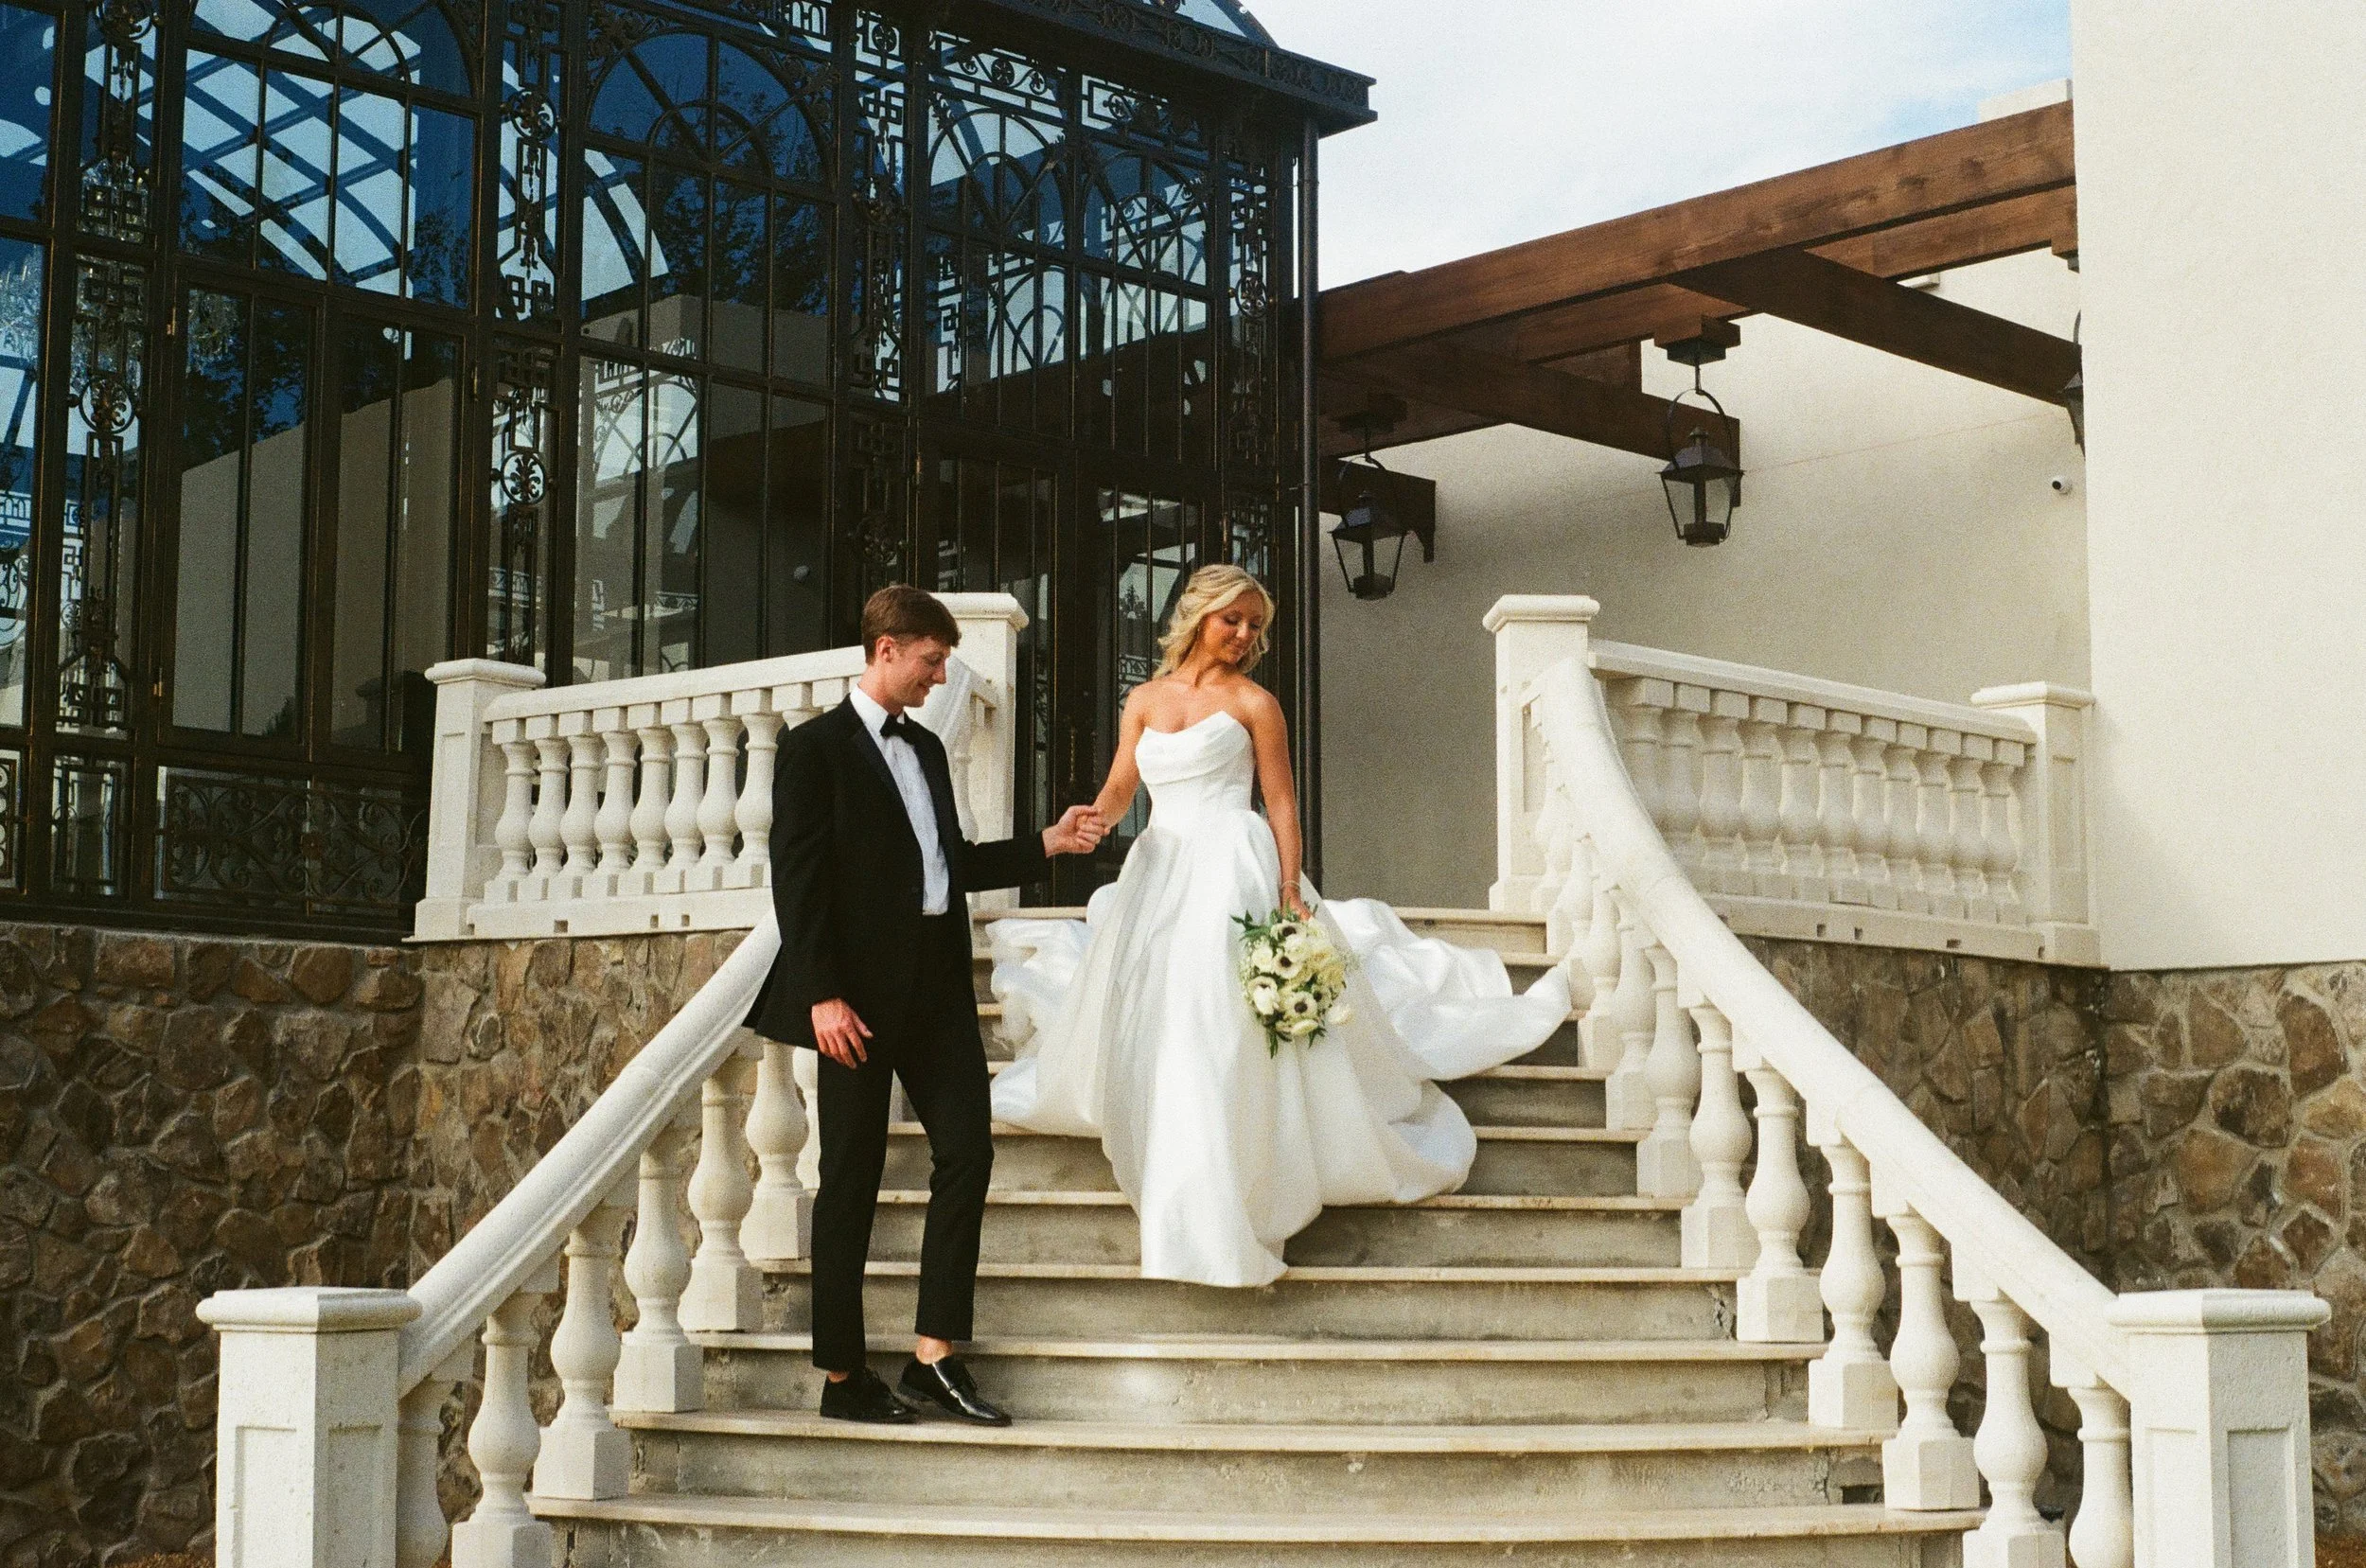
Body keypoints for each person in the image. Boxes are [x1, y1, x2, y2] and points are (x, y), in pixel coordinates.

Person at [989, 564, 1573, 1288]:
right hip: (1159, 870)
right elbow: (1120, 787)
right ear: (1198, 615)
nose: (1242, 636)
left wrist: (1290, 887)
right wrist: (1085, 824)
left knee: (1214, 1017)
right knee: (1156, 1018)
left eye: (1254, 626)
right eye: (1231, 619)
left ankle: (1219, 1189)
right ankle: (1180, 1160)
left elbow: (1281, 803)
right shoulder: (1142, 699)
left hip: (1233, 866)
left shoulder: (1255, 705)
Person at [747, 585, 1105, 1425]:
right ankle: (842, 1378)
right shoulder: (814, 749)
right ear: (887, 649)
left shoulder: (929, 752)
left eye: (945, 662)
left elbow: (950, 863)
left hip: (938, 989)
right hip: (857, 1002)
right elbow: (797, 885)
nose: (941, 678)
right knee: (851, 1178)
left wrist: (1045, 844)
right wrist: (823, 994)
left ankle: (933, 1357)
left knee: (969, 1151)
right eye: (932, 661)